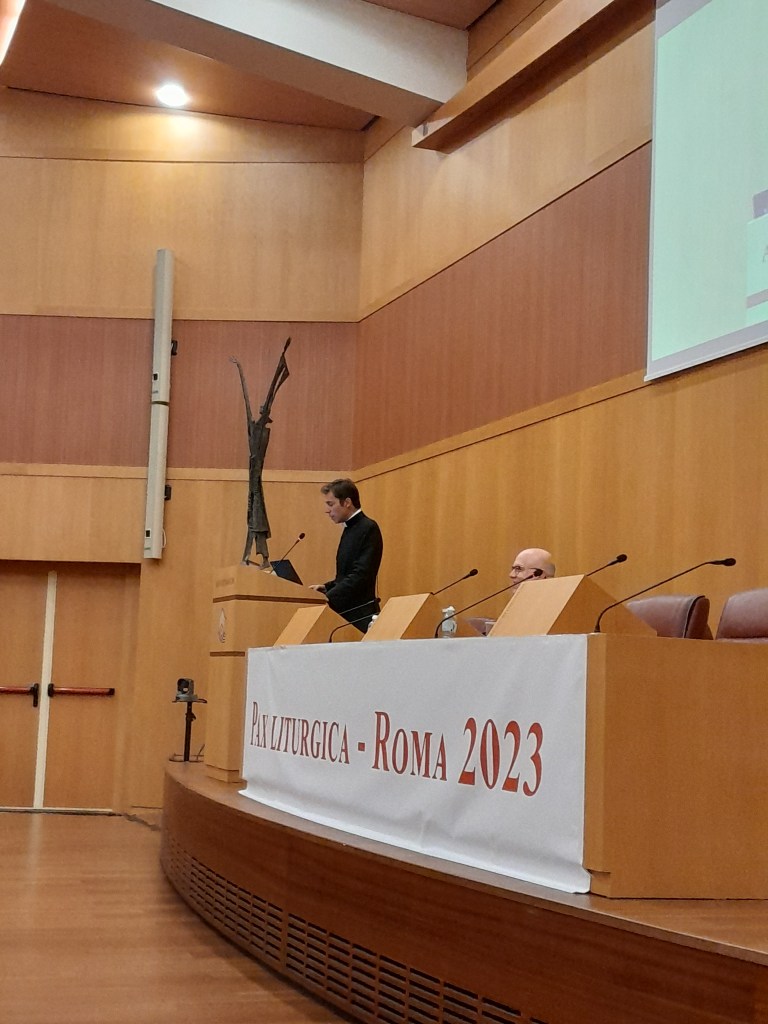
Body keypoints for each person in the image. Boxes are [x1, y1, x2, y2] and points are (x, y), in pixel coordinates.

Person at [310, 478, 383, 631]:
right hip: (344, 614)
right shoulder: (349, 528)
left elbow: (361, 575)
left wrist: (330, 596)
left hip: (360, 616)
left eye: (331, 504)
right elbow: (346, 574)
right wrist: (326, 587)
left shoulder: (368, 528)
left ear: (347, 502)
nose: (327, 510)